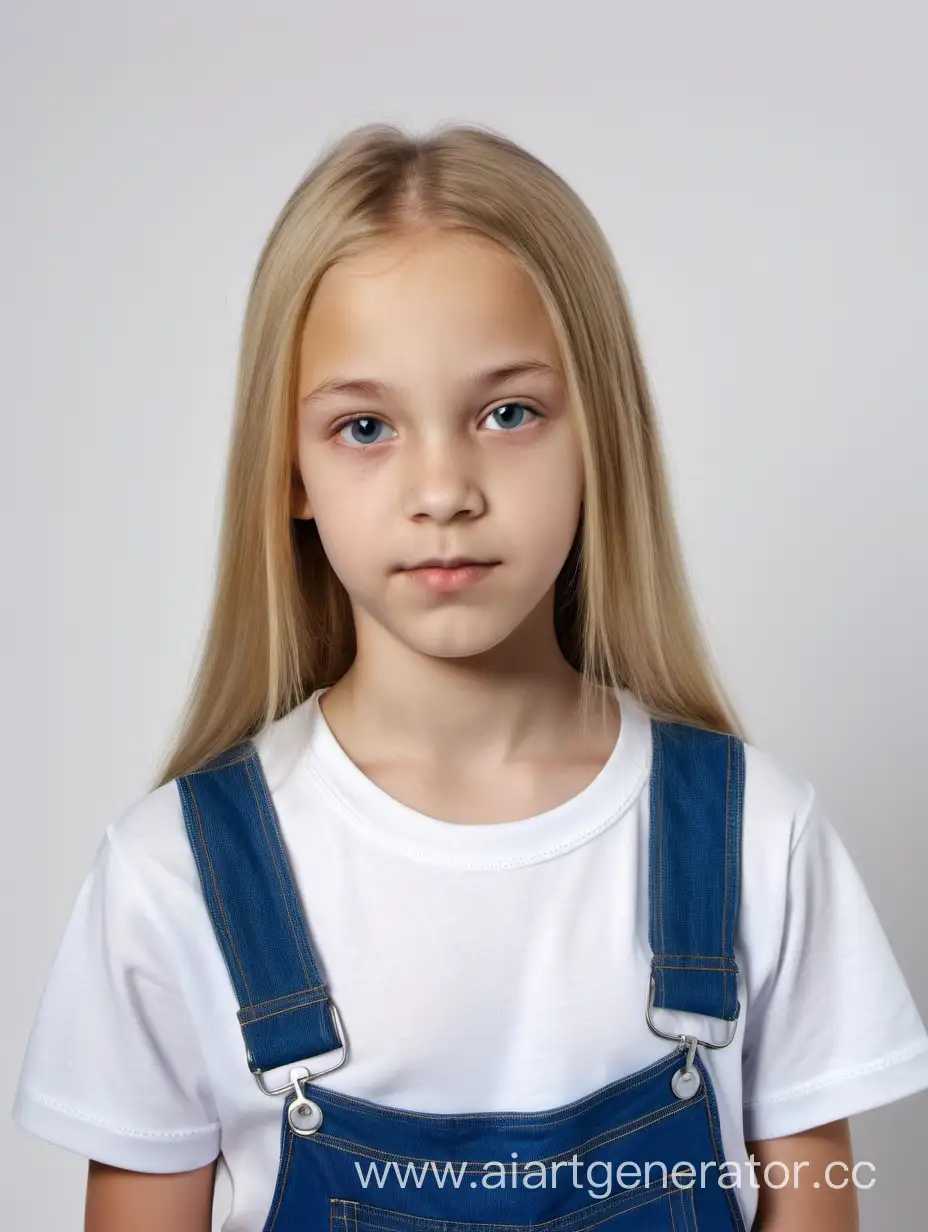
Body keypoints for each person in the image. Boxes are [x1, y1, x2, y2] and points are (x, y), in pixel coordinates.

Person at [12, 122, 928, 1232]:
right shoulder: (172, 879)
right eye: (364, 425)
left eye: (508, 412)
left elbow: (821, 1200)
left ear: (604, 436)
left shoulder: (756, 838)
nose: (442, 487)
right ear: (286, 470)